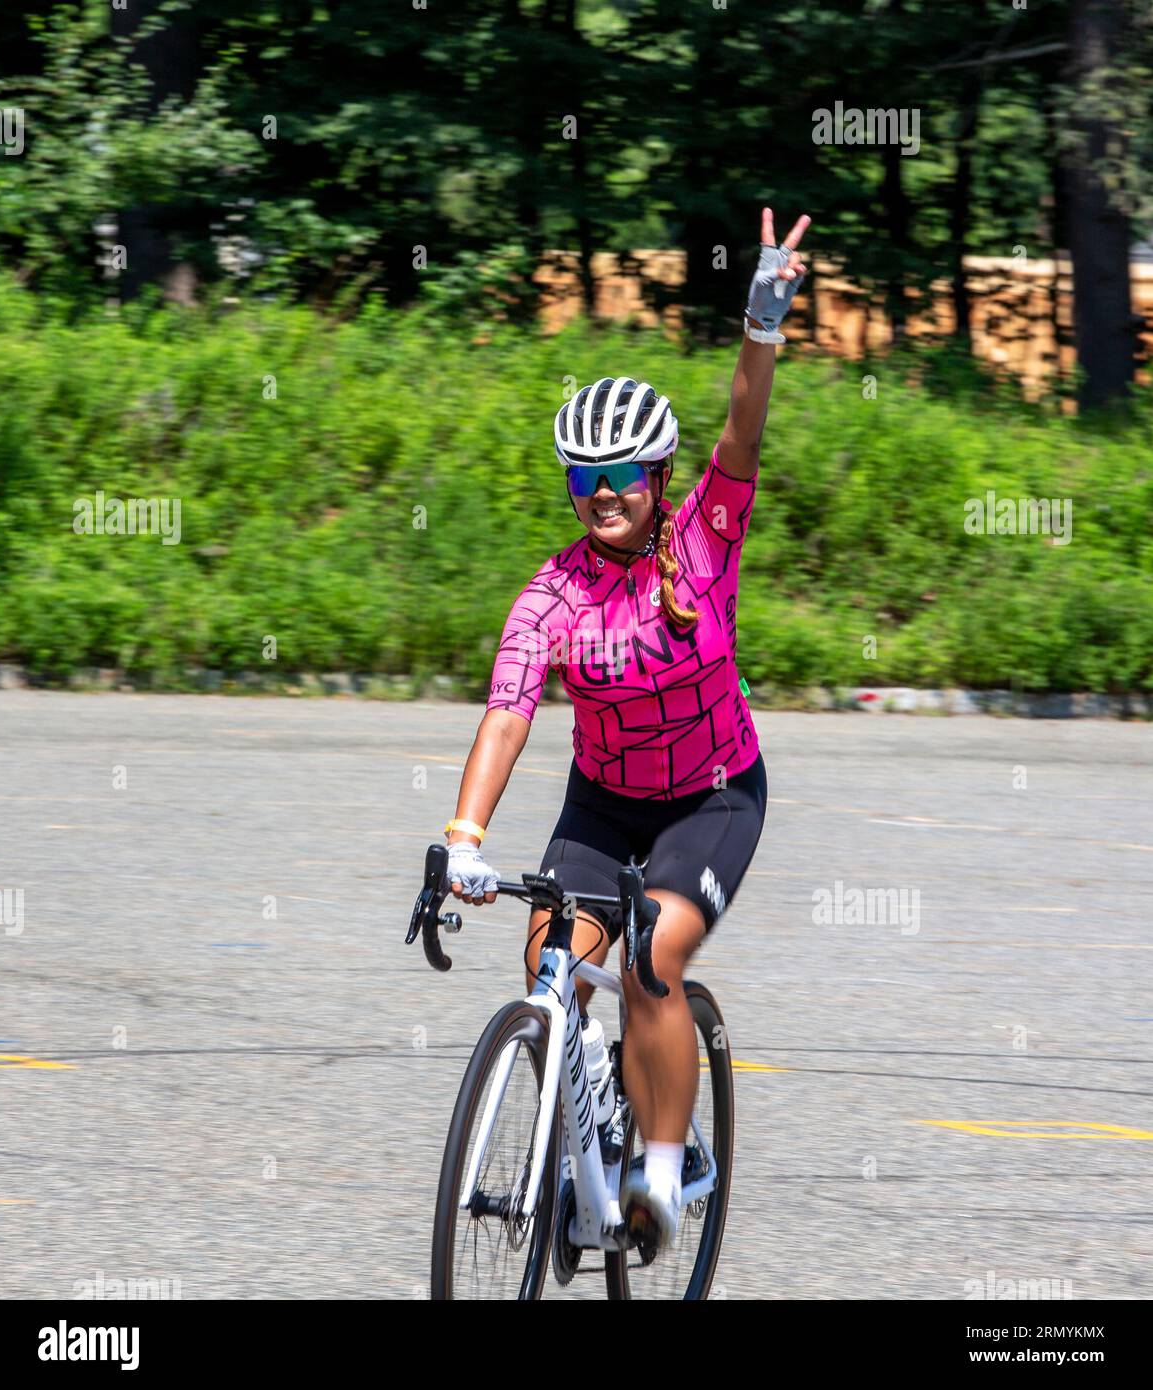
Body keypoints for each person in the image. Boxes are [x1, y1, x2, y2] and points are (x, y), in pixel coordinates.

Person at [441, 208, 810, 1253]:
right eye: (580, 480)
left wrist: (761, 318)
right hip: (603, 799)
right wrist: (463, 838)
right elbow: (507, 712)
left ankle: (658, 1167)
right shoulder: (550, 593)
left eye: (619, 478)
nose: (600, 496)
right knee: (545, 963)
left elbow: (741, 428)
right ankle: (583, 1118)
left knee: (651, 959)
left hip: (712, 792)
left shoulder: (702, 540)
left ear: (653, 479)